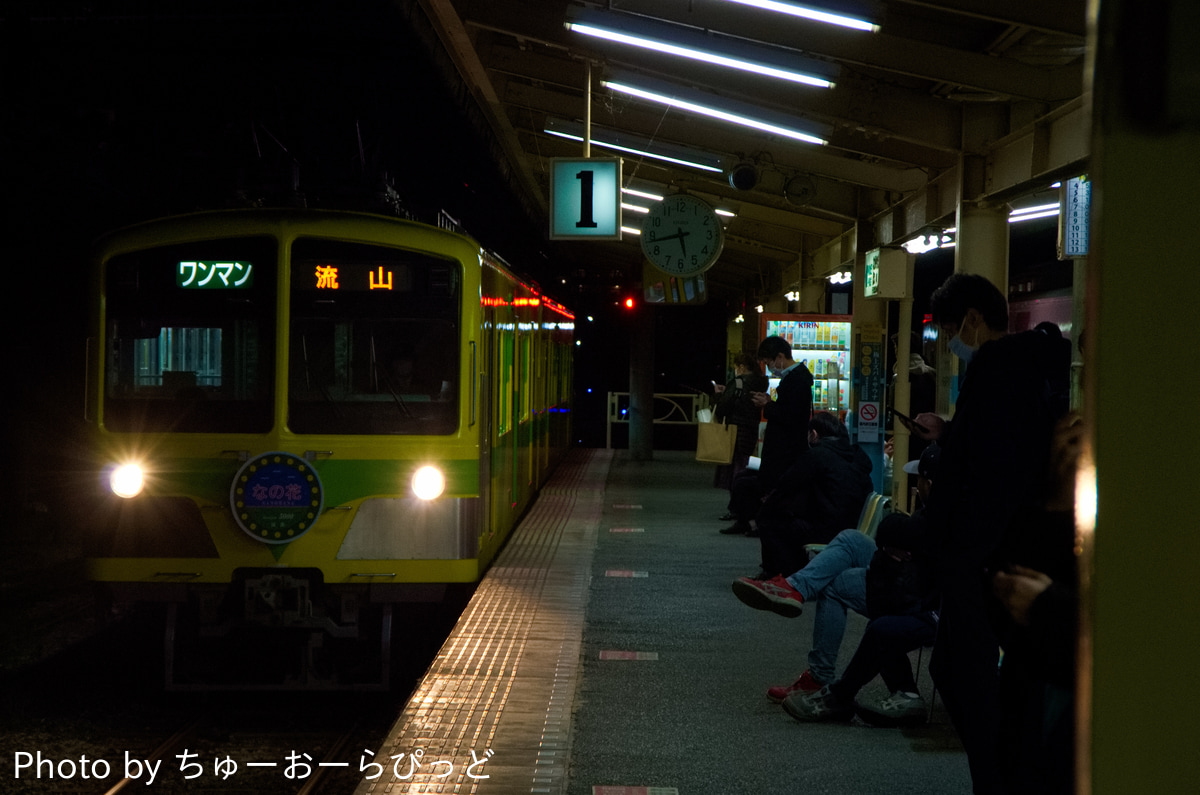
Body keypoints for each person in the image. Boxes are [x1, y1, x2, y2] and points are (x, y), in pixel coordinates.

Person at [909, 273, 1068, 795]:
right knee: (960, 673)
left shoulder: (995, 369)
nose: (952, 343)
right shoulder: (1032, 367)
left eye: (954, 329)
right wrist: (950, 434)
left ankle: (998, 782)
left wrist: (951, 550)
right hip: (995, 552)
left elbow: (985, 473)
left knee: (970, 681)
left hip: (980, 557)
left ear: (975, 320)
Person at [732, 444, 941, 715]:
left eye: (920, 480)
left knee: (836, 586)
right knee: (850, 540)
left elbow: (896, 528)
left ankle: (818, 669)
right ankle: (794, 588)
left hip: (916, 592)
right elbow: (898, 531)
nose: (917, 486)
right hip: (904, 579)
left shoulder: (945, 512)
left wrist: (894, 537)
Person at [752, 411, 873, 577]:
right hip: (853, 526)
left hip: (827, 528)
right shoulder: (857, 457)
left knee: (767, 519)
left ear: (814, 434)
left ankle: (785, 572)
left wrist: (769, 501)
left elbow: (787, 485)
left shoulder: (817, 455)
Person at [721, 335, 813, 535]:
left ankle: (758, 523)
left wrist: (767, 405)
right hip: (784, 448)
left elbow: (790, 416)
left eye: (769, 362)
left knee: (757, 484)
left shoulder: (796, 380)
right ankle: (750, 521)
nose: (770, 367)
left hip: (785, 449)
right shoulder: (798, 377)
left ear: (780, 357)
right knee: (750, 481)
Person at [712, 353, 769, 518]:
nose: (735, 370)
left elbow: (723, 407)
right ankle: (741, 508)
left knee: (734, 472)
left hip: (735, 431)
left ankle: (737, 509)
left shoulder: (738, 382)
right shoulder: (760, 383)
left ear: (742, 367)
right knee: (744, 468)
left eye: (736, 367)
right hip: (750, 431)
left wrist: (718, 394)